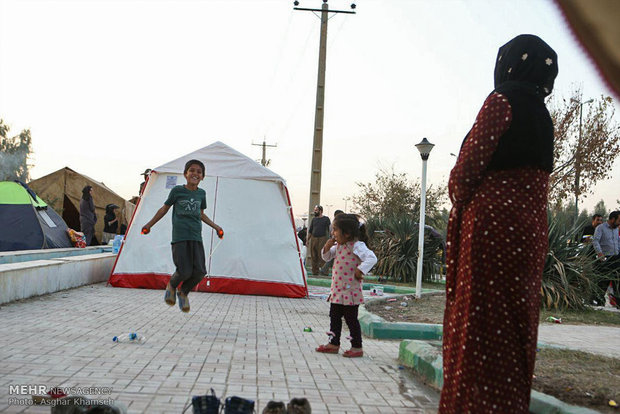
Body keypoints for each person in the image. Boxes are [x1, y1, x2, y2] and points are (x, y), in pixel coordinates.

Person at [441, 34, 559, 413]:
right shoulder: (543, 117)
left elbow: (464, 176)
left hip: (490, 232)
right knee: (513, 329)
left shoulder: (502, 101)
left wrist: (458, 191)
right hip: (529, 234)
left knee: (477, 329)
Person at [141, 159, 223, 313]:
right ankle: (171, 286)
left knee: (199, 272)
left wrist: (216, 227)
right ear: (185, 174)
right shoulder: (177, 191)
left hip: (196, 237)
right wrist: (149, 224)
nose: (195, 174)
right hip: (180, 237)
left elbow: (201, 214)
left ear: (202, 177)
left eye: (199, 172)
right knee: (184, 271)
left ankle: (183, 292)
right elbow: (164, 209)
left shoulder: (201, 194)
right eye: (192, 170)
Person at [315, 214, 377, 358]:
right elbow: (326, 257)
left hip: (350, 292)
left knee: (351, 319)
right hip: (337, 290)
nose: (333, 233)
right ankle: (333, 343)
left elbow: (372, 258)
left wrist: (360, 269)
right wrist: (326, 247)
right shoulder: (338, 246)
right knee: (334, 317)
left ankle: (357, 347)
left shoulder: (357, 246)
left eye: (335, 230)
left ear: (347, 233)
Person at [592, 211, 620, 305]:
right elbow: (595, 241)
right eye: (619, 220)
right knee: (604, 281)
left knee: (617, 281)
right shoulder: (601, 228)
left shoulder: (616, 229)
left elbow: (617, 241)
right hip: (606, 258)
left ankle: (618, 302)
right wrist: (599, 253)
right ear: (613, 219)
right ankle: (598, 301)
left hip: (616, 258)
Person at [319, 209, 344, 275]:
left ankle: (324, 269)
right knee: (332, 258)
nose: (333, 232)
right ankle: (324, 269)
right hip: (334, 242)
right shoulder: (334, 224)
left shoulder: (355, 246)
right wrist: (328, 245)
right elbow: (326, 255)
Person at [307, 205, 330, 275]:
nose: (315, 211)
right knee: (314, 255)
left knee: (322, 255)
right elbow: (310, 231)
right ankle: (315, 271)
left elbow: (330, 228)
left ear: (320, 211)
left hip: (322, 238)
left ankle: (324, 271)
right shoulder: (314, 220)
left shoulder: (326, 219)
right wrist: (307, 240)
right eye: (315, 210)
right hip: (314, 238)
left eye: (316, 210)